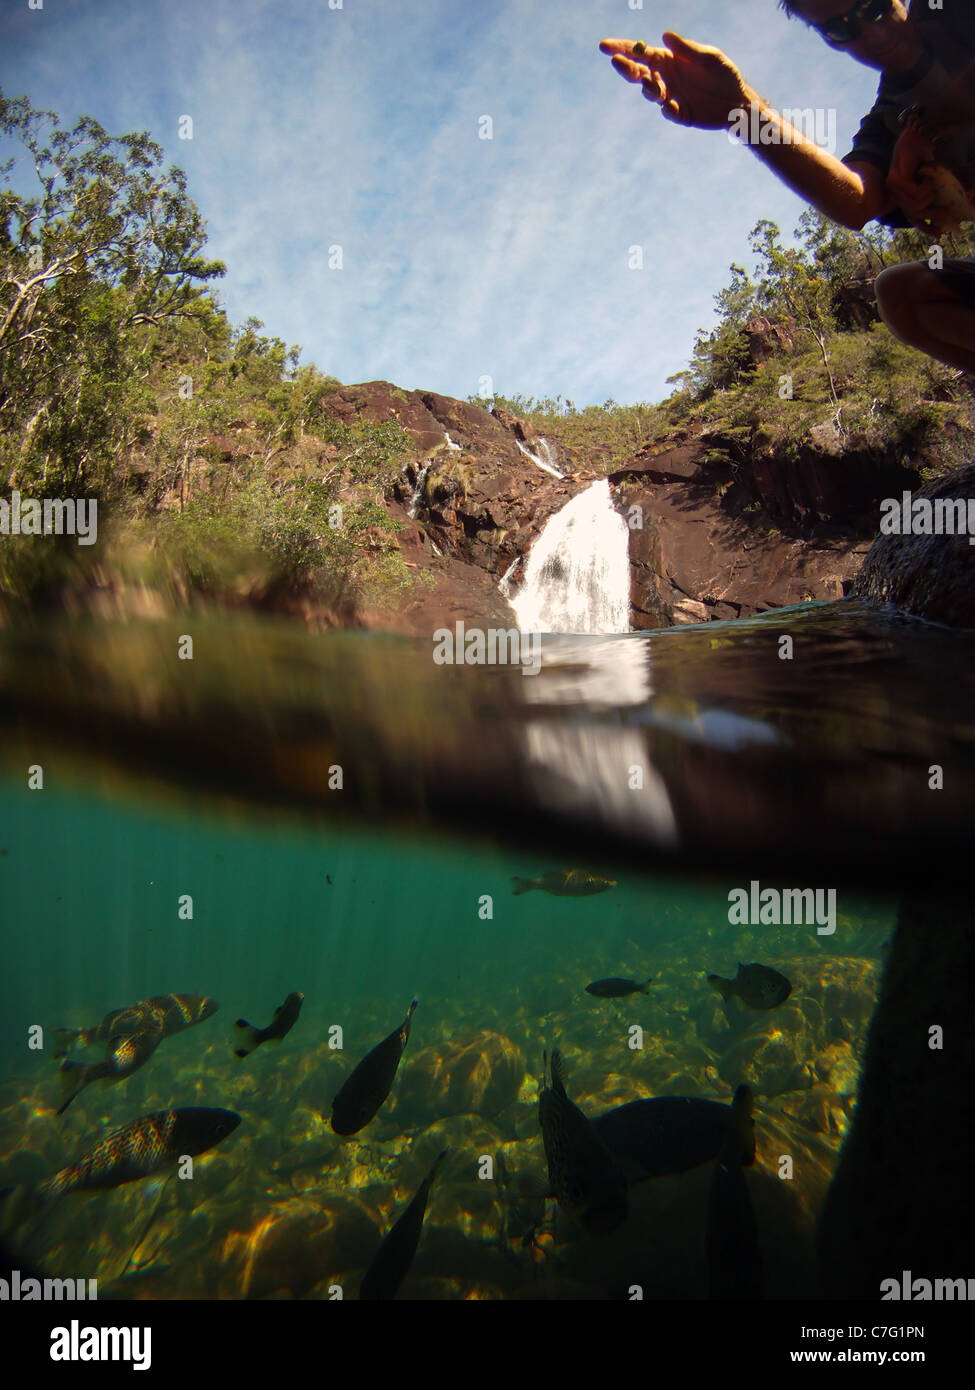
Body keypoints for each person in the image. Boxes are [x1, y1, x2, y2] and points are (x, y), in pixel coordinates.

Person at [600, 1, 975, 371]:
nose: (871, 33)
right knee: (902, 295)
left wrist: (930, 125)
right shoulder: (888, 123)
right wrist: (744, 114)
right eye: (841, 28)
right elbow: (856, 201)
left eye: (873, 7)